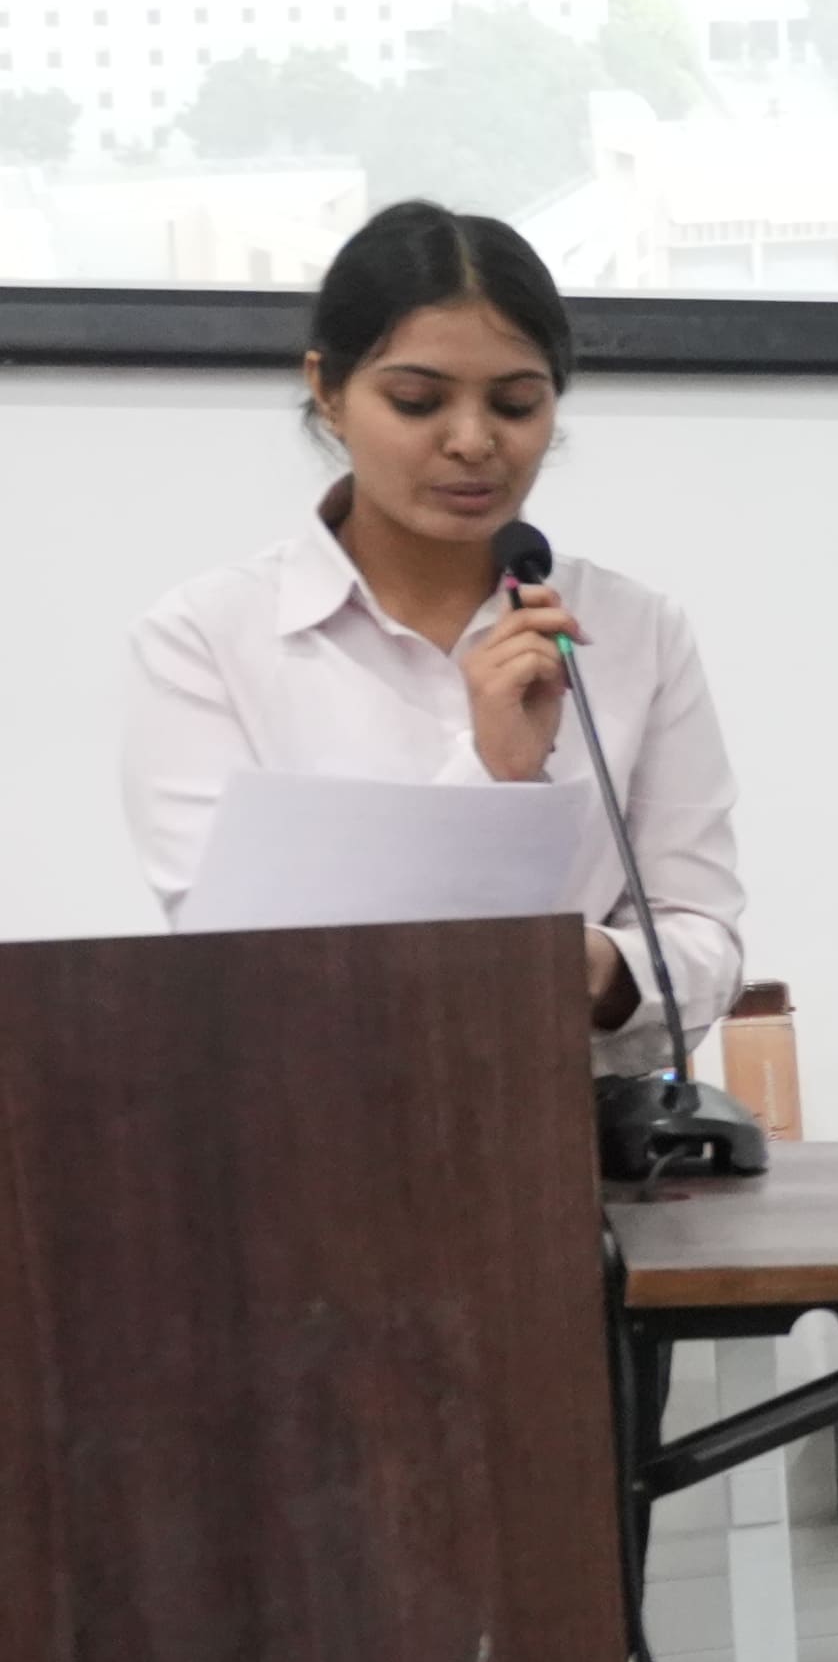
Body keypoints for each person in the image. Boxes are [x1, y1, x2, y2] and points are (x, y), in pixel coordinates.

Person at [123, 199, 743, 1075]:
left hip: (573, 1126)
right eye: (417, 402)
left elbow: (704, 939)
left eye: (516, 403)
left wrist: (591, 969)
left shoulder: (634, 631)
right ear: (328, 391)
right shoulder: (208, 638)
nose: (472, 442)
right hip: (307, 1120)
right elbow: (229, 963)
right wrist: (491, 773)